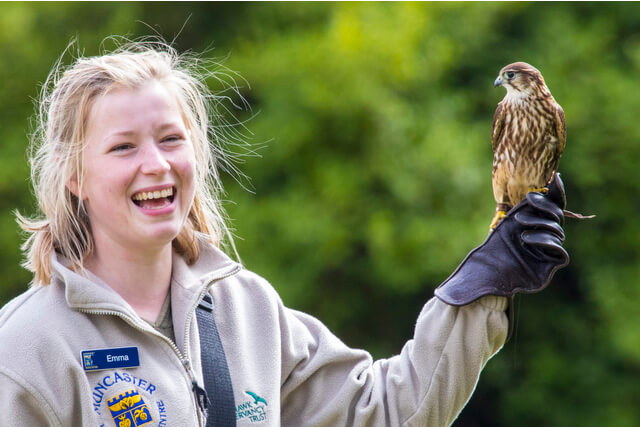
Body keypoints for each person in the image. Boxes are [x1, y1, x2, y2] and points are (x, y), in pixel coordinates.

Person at [0, 40, 569, 427]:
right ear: (73, 176)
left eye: (171, 139)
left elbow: (392, 411)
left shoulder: (247, 312)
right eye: (123, 146)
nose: (156, 164)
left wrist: (481, 284)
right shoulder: (28, 348)